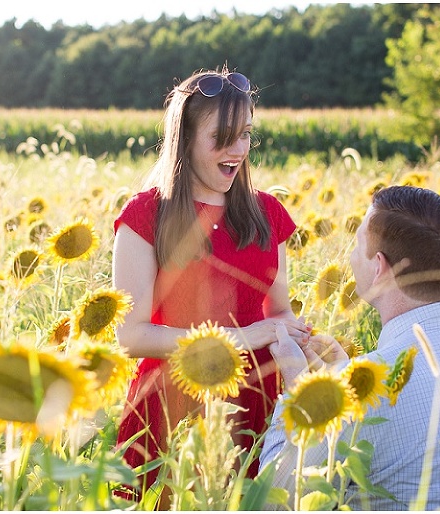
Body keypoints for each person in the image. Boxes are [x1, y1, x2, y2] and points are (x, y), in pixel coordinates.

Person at [259, 185, 440, 510]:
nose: (349, 256)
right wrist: (341, 373)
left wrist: (299, 389)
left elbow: (272, 499)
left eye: (357, 245)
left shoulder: (356, 399)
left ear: (379, 267)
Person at [111, 67, 311, 505]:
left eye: (245, 135)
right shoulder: (146, 215)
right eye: (222, 136)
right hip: (170, 407)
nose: (237, 149)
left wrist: (296, 340)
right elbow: (131, 335)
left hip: (256, 400)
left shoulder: (267, 213)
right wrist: (237, 339)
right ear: (184, 139)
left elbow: (277, 311)